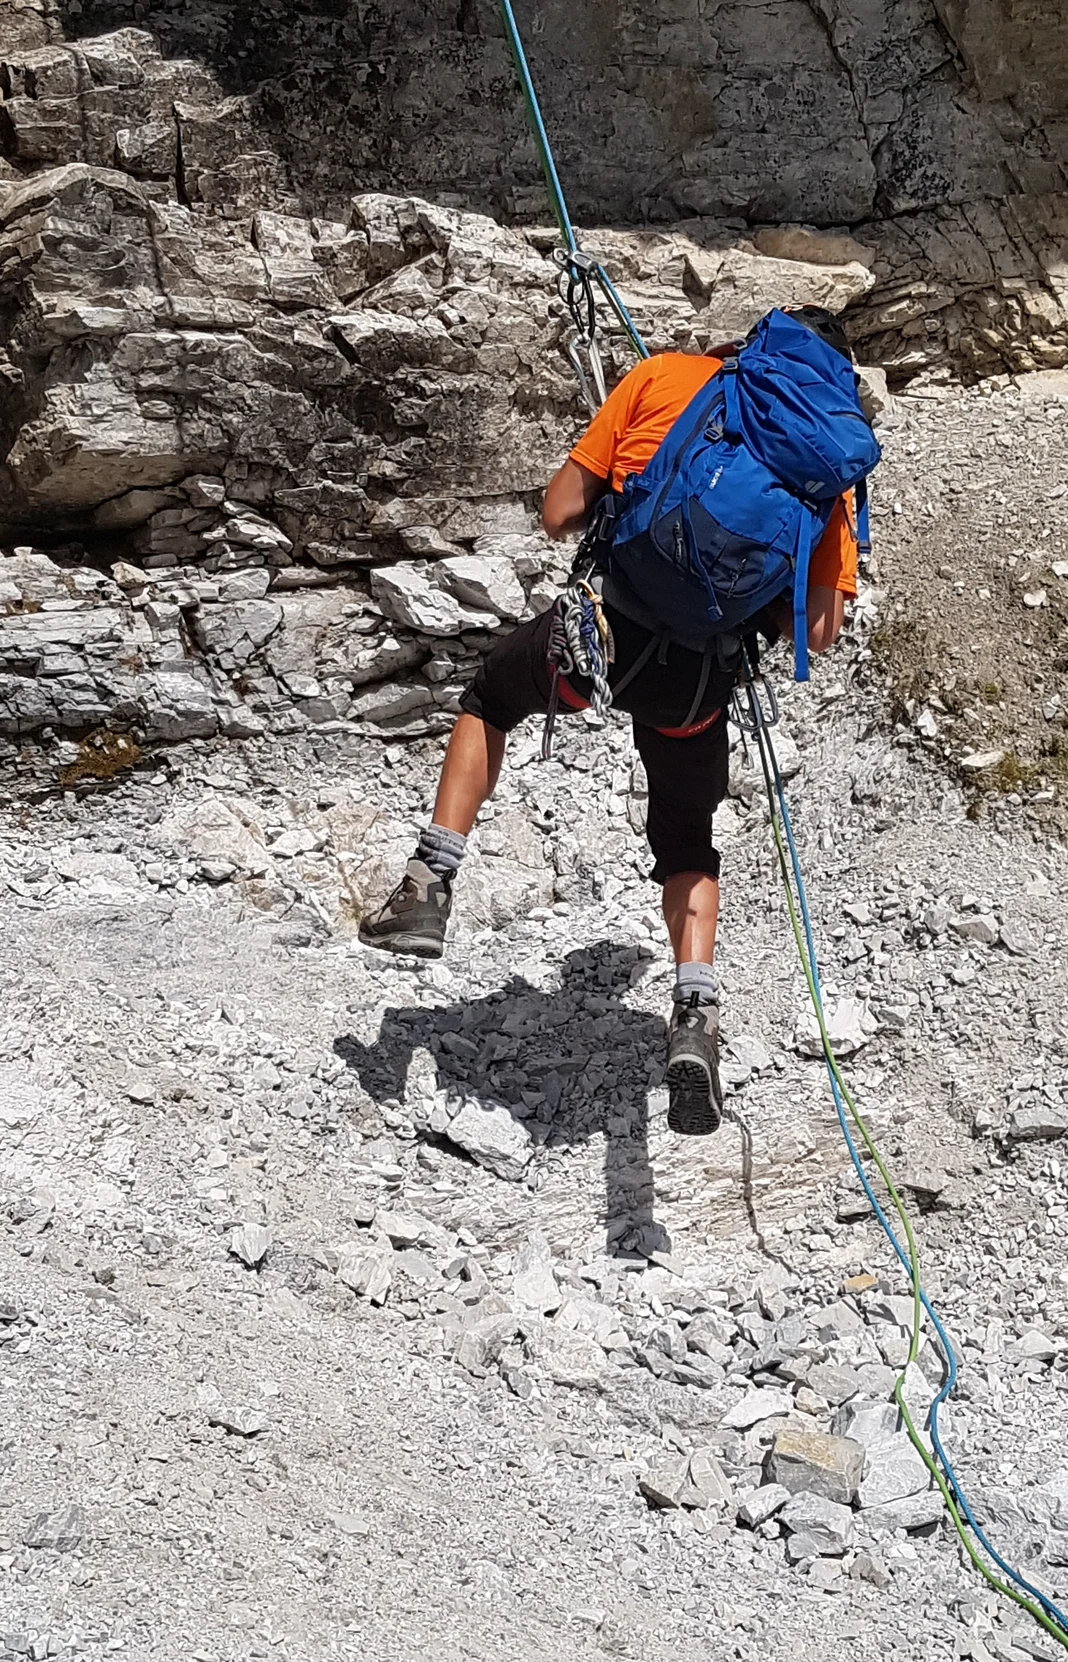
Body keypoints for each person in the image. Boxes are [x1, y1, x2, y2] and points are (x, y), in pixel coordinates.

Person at [358, 307, 867, 1137]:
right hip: (693, 685)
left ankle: (428, 885)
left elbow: (560, 511)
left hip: (597, 640)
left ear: (748, 343)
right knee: (686, 836)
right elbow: (815, 633)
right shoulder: (822, 467)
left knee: (492, 697)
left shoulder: (664, 377)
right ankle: (694, 1010)